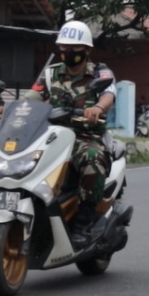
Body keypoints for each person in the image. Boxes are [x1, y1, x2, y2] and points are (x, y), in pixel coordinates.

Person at [21, 20, 116, 225]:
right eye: (64, 47)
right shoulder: (51, 73)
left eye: (74, 48)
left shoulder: (100, 72)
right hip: (52, 135)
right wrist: (10, 109)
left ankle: (86, 219)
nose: (68, 51)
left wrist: (97, 108)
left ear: (87, 49)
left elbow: (108, 95)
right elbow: (31, 98)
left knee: (92, 158)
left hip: (85, 136)